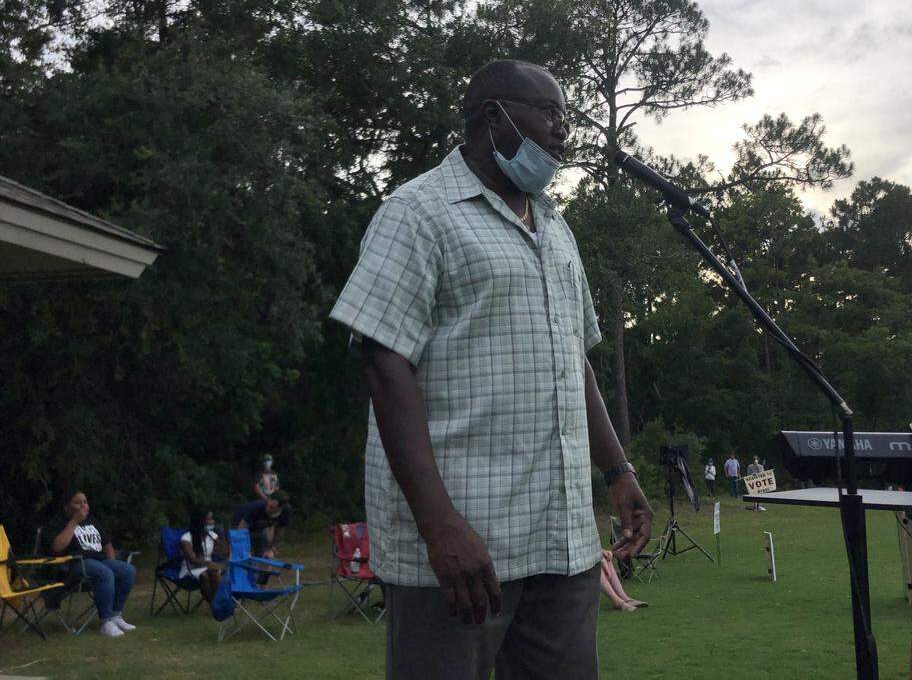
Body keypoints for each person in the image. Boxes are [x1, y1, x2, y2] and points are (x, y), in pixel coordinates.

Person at [329, 59, 653, 679]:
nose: (562, 132)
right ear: (492, 116)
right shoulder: (417, 211)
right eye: (550, 114)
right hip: (461, 550)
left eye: (566, 117)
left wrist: (617, 470)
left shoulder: (555, 226)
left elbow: (573, 361)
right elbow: (383, 363)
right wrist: (440, 524)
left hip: (561, 544)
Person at [49, 491, 137, 638]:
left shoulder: (93, 521)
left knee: (128, 570)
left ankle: (116, 615)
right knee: (104, 572)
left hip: (100, 561)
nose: (84, 505)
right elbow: (57, 547)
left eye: (85, 502)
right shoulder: (61, 522)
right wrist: (74, 522)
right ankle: (106, 622)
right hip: (76, 564)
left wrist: (113, 564)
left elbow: (107, 545)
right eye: (78, 502)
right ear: (67, 507)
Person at [180, 509, 227, 601]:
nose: (213, 522)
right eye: (209, 519)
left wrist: (222, 538)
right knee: (204, 575)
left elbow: (225, 552)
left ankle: (216, 603)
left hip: (209, 567)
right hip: (191, 570)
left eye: (212, 519)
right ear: (200, 522)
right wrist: (209, 563)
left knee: (215, 574)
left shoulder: (212, 535)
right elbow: (193, 560)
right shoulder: (186, 538)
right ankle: (214, 604)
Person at [232, 491, 291, 559]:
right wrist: (244, 550)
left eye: (272, 507)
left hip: (258, 530)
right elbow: (241, 529)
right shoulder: (256, 507)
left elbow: (280, 531)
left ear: (280, 508)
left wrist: (270, 548)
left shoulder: (286, 511)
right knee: (240, 556)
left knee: (267, 556)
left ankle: (262, 566)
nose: (268, 508)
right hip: (238, 525)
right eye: (268, 505)